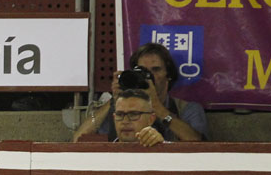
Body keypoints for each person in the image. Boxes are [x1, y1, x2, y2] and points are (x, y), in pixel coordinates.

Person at [72, 42, 207, 142]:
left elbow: (199, 146)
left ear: (168, 75)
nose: (149, 75)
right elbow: (78, 140)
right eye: (142, 71)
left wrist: (157, 108)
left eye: (156, 69)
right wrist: (114, 100)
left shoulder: (187, 109)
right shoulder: (120, 109)